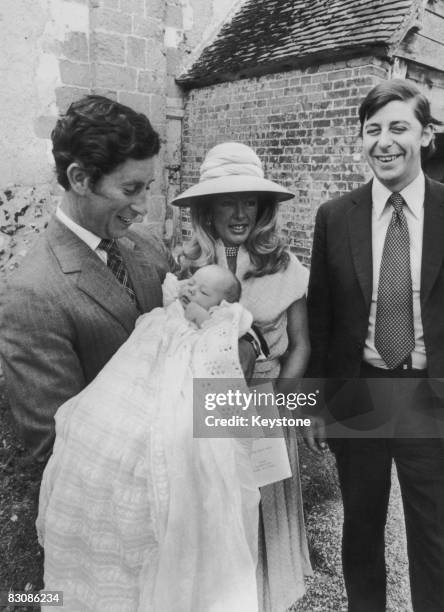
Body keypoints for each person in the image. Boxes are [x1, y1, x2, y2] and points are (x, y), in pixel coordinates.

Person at [0, 96, 256, 465]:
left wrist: (240, 346)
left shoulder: (146, 244)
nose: (144, 207)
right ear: (79, 179)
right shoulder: (31, 295)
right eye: (130, 189)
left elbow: (208, 308)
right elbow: (56, 446)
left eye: (147, 187)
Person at [37, 263, 260, 611]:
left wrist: (200, 316)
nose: (192, 291)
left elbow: (220, 345)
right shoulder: (172, 308)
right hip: (138, 370)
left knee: (178, 442)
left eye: (203, 291)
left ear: (220, 305)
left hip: (178, 379)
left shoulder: (221, 319)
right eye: (193, 282)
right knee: (96, 424)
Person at [306, 79, 444, 612]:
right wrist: (314, 403)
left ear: (426, 134)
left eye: (399, 127)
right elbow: (320, 317)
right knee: (360, 527)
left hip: (429, 396)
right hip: (359, 393)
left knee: (433, 535)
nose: (384, 142)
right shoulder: (335, 216)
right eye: (372, 130)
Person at [171, 141, 313, 612]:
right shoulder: (185, 268)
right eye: (228, 200)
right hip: (207, 408)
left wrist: (281, 409)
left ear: (264, 207)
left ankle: (268, 598)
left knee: (261, 510)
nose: (239, 213)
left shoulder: (284, 265)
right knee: (215, 509)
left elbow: (302, 343)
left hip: (264, 405)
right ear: (207, 209)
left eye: (249, 200)